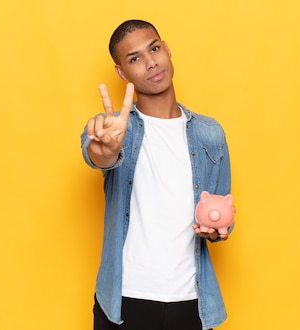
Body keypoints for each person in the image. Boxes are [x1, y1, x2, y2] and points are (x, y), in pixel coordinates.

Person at [80, 19, 233, 330]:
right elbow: (100, 155)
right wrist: (105, 148)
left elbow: (222, 210)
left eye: (154, 48)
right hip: (125, 301)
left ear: (167, 49)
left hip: (193, 302)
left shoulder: (210, 133)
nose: (151, 62)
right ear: (121, 72)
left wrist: (215, 230)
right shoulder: (113, 130)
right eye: (135, 58)